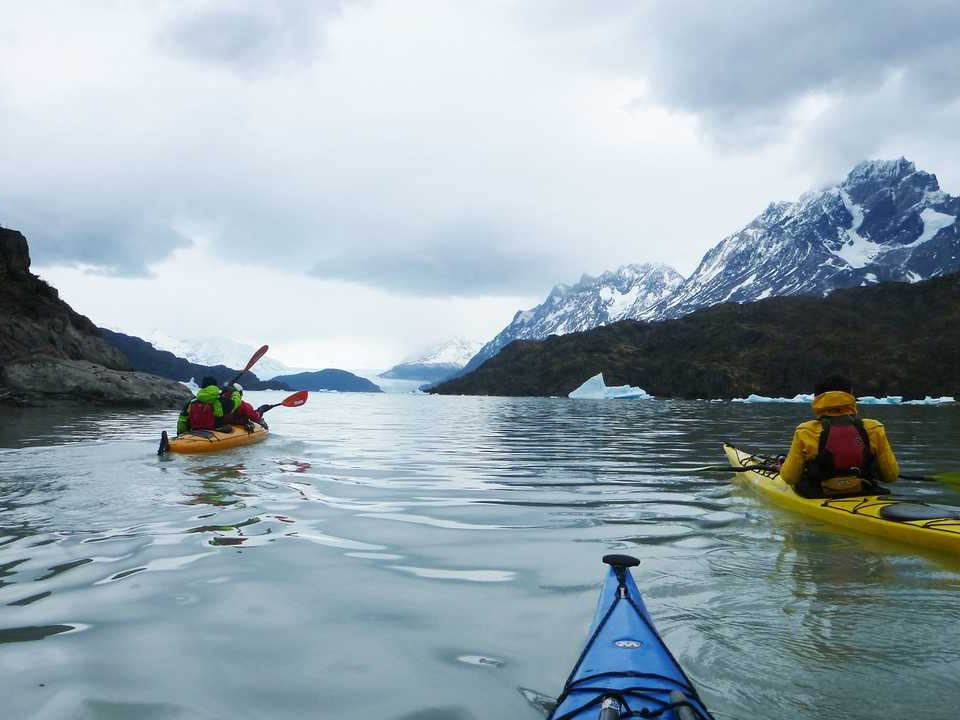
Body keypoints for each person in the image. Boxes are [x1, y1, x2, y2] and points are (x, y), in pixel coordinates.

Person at [778, 374, 899, 498]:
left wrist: (782, 467)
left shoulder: (806, 430)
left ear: (817, 398)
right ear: (851, 396)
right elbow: (890, 476)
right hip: (864, 490)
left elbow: (790, 478)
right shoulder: (874, 428)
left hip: (819, 493)